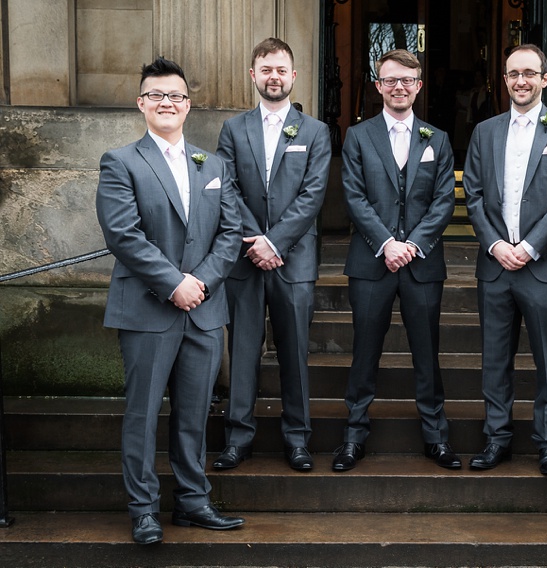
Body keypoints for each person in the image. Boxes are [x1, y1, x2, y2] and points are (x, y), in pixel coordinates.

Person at [95, 56, 244, 545]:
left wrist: (199, 282)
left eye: (176, 96)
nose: (167, 103)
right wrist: (173, 283)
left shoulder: (213, 163)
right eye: (157, 95)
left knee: (195, 412)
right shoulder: (121, 162)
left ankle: (193, 501)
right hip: (147, 308)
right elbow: (124, 234)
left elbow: (230, 233)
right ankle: (143, 509)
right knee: (142, 414)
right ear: (142, 103)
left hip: (203, 310)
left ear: (188, 104)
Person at [463, 44, 547, 476]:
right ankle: (497, 438)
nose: (521, 81)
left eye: (529, 73)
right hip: (495, 265)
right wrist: (497, 245)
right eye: (513, 73)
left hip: (544, 264)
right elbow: (474, 194)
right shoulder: (485, 131)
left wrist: (530, 246)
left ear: (545, 79)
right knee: (495, 358)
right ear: (505, 79)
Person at [334, 49, 458, 471]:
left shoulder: (437, 139)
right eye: (390, 80)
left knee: (428, 354)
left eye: (406, 80)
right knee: (364, 353)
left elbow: (443, 202)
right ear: (378, 86)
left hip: (422, 266)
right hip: (371, 263)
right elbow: (353, 195)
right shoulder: (358, 136)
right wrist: (387, 243)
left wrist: (413, 245)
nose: (399, 87)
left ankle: (436, 437)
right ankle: (353, 436)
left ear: (418, 85)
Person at [213, 38, 330, 472]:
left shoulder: (315, 132)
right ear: (253, 75)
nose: (274, 77)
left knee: (294, 351)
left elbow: (312, 194)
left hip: (293, 260)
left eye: (281, 69)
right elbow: (227, 188)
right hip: (245, 258)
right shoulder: (233, 129)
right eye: (266, 70)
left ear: (293, 76)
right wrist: (254, 240)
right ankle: (237, 437)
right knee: (242, 350)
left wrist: (275, 242)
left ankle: (297, 438)